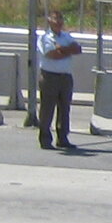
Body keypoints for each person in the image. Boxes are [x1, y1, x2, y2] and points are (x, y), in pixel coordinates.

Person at [35, 10, 81, 152]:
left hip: (65, 77)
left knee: (64, 109)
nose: (59, 22)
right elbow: (52, 55)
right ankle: (45, 139)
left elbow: (78, 49)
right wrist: (67, 51)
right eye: (56, 19)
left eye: (61, 19)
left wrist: (62, 49)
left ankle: (63, 138)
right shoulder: (44, 38)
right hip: (50, 77)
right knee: (47, 109)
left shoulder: (66, 37)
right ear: (49, 21)